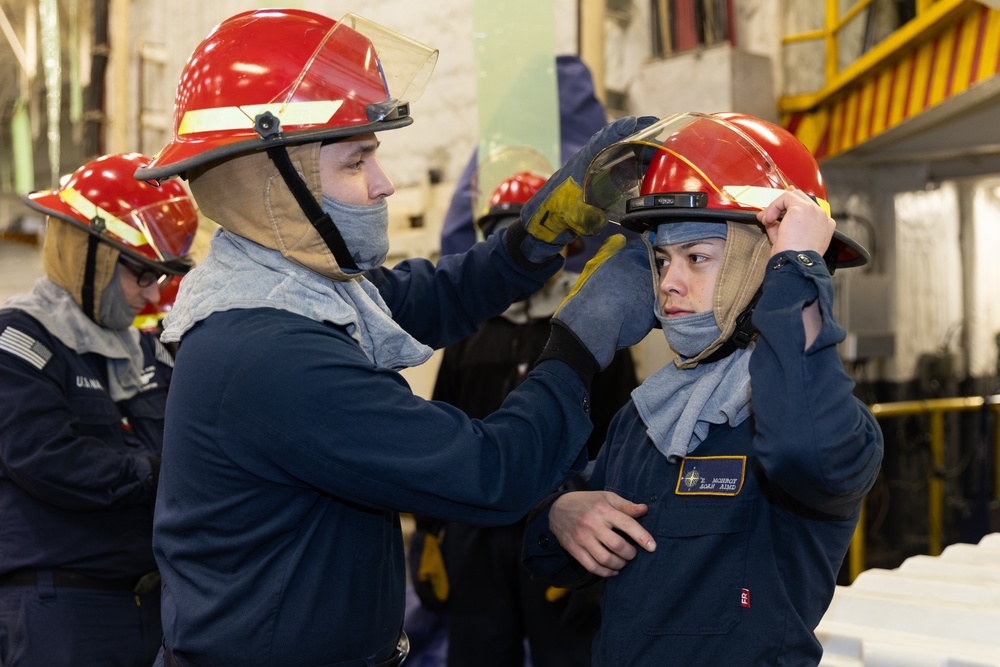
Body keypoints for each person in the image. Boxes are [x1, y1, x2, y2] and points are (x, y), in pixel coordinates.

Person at [133, 9, 657, 666]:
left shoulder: (289, 291)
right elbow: (489, 470)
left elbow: (438, 294)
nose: (383, 184)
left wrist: (540, 235)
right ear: (275, 180)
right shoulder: (267, 350)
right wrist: (580, 338)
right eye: (357, 161)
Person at [522, 112, 885, 666]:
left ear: (765, 266)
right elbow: (553, 558)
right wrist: (558, 514)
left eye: (696, 258)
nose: (667, 282)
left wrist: (796, 269)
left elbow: (802, 448)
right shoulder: (644, 418)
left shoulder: (831, 426)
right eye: (662, 259)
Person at [412, 170, 639, 667]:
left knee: (567, 655)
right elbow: (440, 422)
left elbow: (618, 441)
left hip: (565, 525)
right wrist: (430, 531)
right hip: (475, 530)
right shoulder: (468, 334)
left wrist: (604, 553)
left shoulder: (591, 331)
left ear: (568, 245)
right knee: (478, 654)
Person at [0, 152, 198, 666]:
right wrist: (164, 474)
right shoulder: (19, 342)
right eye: (142, 275)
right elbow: (50, 460)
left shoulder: (147, 348)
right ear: (90, 252)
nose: (151, 295)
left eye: (161, 278)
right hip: (62, 611)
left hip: (154, 604)